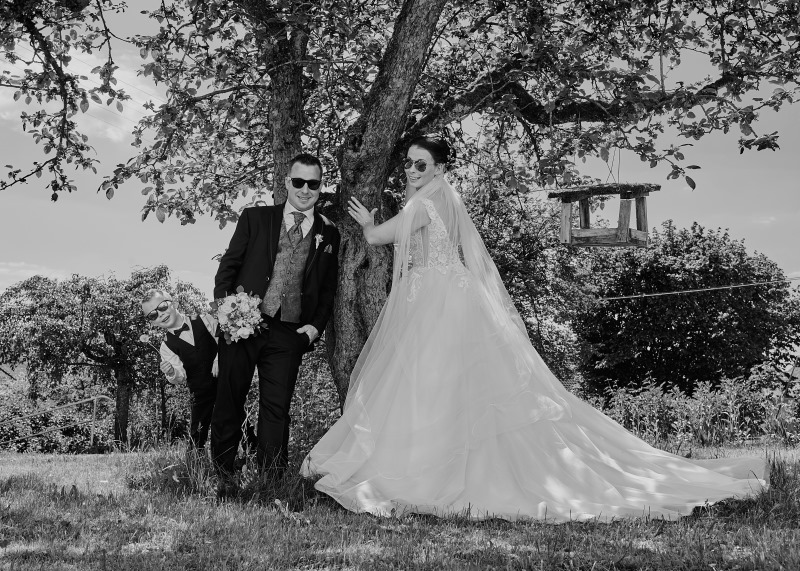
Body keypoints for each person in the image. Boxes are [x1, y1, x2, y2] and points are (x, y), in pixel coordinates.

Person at [301, 136, 767, 522]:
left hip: (438, 301)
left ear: (440, 168)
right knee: (443, 384)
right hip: (444, 296)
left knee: (435, 382)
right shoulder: (441, 199)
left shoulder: (427, 200)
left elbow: (381, 237)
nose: (411, 169)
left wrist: (368, 223)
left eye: (420, 163)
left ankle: (433, 469)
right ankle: (437, 459)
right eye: (407, 163)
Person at [212, 152, 340, 487]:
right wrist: (227, 311)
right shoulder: (256, 218)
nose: (305, 189)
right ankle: (223, 476)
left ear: (320, 186)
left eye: (313, 184)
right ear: (287, 182)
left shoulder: (329, 232)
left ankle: (270, 481)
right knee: (229, 399)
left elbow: (328, 287)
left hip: (290, 332)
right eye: (298, 182)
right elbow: (228, 267)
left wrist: (314, 328)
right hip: (243, 325)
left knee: (276, 409)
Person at [141, 289, 218, 449]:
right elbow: (180, 376)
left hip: (224, 382)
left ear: (174, 303)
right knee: (197, 434)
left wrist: (219, 358)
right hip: (200, 392)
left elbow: (224, 341)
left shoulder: (204, 319)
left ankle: (250, 453)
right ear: (153, 323)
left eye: (162, 307)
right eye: (153, 315)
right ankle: (195, 461)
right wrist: (171, 372)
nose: (160, 314)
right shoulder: (166, 346)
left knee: (236, 419)